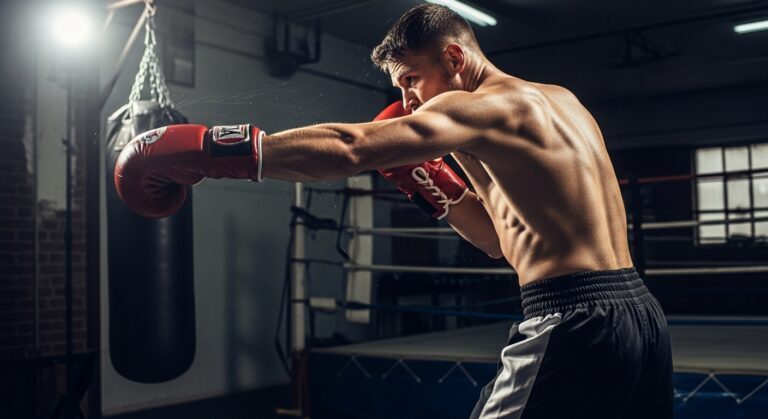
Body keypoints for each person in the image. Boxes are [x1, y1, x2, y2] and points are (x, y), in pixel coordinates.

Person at [114, 4, 674, 418]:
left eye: (411, 79)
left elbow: (352, 146)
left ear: (454, 57)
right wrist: (436, 187)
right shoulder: (560, 101)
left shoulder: (480, 106)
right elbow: (500, 241)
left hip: (573, 320)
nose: (407, 101)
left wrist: (211, 152)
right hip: (641, 318)